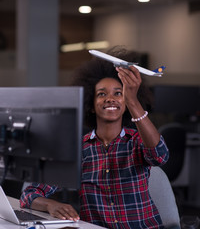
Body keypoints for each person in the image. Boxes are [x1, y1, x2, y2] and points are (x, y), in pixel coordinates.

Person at [20, 47, 169, 228]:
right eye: (101, 94)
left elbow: (160, 155)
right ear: (91, 105)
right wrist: (51, 204)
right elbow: (29, 194)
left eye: (118, 93)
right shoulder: (78, 150)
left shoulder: (137, 141)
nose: (110, 99)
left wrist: (132, 100)